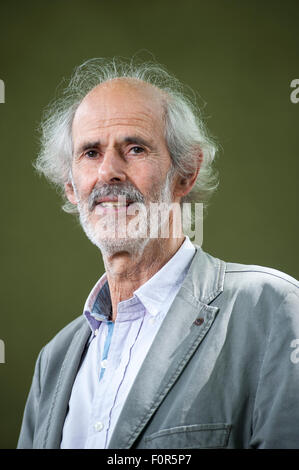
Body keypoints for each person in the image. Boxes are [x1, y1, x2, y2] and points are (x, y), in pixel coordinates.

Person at [17, 58, 299, 449]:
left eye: (134, 148)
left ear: (186, 173)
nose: (108, 172)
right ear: (70, 186)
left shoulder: (271, 308)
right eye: (91, 153)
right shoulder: (54, 361)